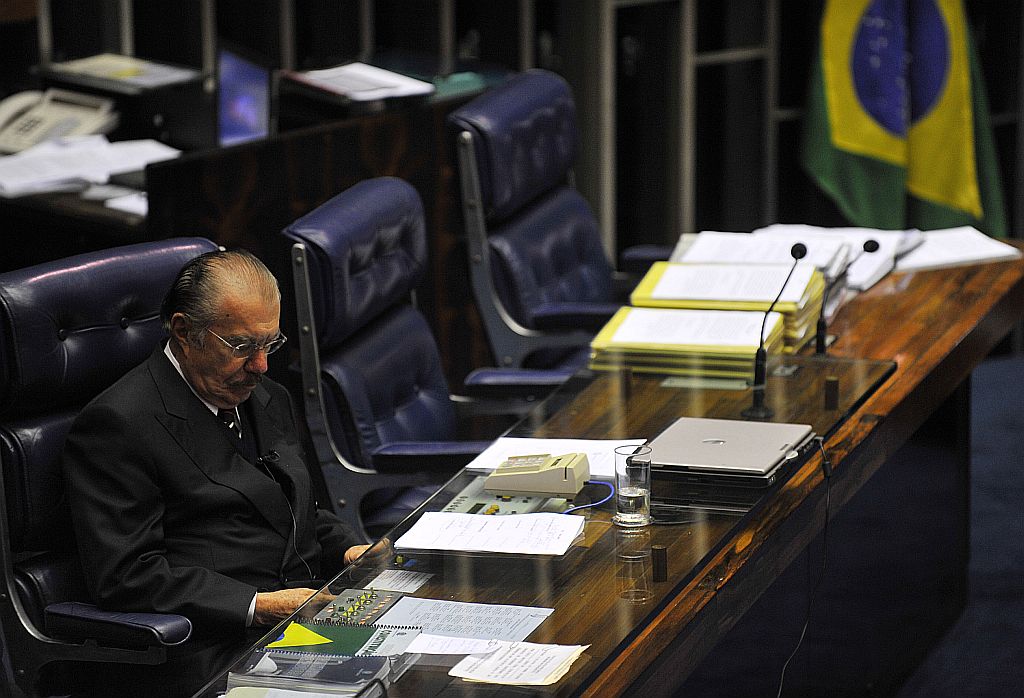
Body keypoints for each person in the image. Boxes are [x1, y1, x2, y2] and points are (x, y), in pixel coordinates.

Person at [62, 249, 373, 696]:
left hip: (303, 623)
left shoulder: (266, 396)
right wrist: (257, 605)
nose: (261, 366)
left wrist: (348, 549)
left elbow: (295, 509)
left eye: (270, 344)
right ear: (185, 332)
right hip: (211, 649)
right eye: (243, 347)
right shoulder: (119, 425)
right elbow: (127, 575)